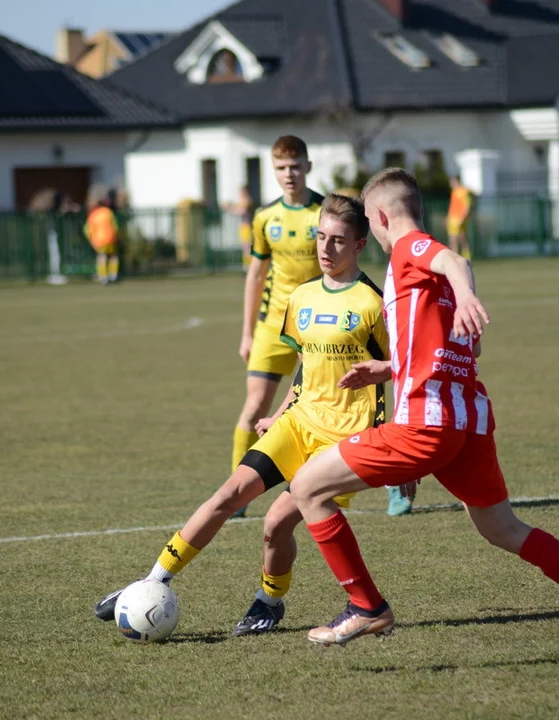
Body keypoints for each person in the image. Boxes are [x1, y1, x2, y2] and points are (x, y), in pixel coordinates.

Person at [287, 168, 559, 665]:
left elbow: (454, 259)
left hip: (427, 424)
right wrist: (391, 368)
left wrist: (466, 294)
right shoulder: (421, 270)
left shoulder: (408, 248)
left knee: (307, 487)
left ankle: (366, 605)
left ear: (378, 217)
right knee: (502, 528)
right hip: (466, 421)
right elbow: (433, 341)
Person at [94, 194, 393, 637]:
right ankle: (151, 580)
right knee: (229, 492)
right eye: (321, 237)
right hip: (299, 423)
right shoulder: (303, 295)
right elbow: (306, 367)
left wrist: (394, 440)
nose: (325, 249)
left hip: (342, 438)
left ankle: (269, 602)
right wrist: (282, 413)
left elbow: (399, 371)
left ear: (360, 245)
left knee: (275, 524)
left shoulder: (373, 302)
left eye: (338, 241)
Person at [230, 136, 324, 518]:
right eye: (282, 168)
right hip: (271, 325)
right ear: (274, 170)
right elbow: (255, 274)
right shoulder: (265, 217)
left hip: (315, 326)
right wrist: (247, 332)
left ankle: (385, 485)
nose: (290, 174)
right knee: (255, 406)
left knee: (325, 410)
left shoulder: (324, 212)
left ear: (308, 166)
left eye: (296, 166)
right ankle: (237, 492)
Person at [84, 195, 120, 285]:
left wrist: (92, 240)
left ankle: (103, 277)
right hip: (110, 238)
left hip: (99, 240)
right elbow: (115, 226)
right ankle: (113, 275)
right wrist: (116, 236)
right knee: (113, 256)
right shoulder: (108, 212)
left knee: (101, 257)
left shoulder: (93, 215)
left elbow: (87, 230)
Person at [224, 186, 255, 271]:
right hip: (243, 227)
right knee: (245, 247)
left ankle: (250, 266)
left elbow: (240, 211)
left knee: (248, 247)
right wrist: (229, 206)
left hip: (247, 226)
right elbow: (236, 208)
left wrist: (230, 208)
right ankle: (247, 266)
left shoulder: (248, 200)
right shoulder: (241, 201)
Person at [446, 175, 473, 259]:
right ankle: (457, 258)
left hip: (458, 219)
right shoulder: (454, 192)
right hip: (453, 218)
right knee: (455, 240)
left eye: (452, 182)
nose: (451, 184)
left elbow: (467, 207)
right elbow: (453, 206)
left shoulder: (463, 192)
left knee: (460, 239)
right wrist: (448, 217)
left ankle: (465, 258)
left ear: (456, 181)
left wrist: (462, 219)